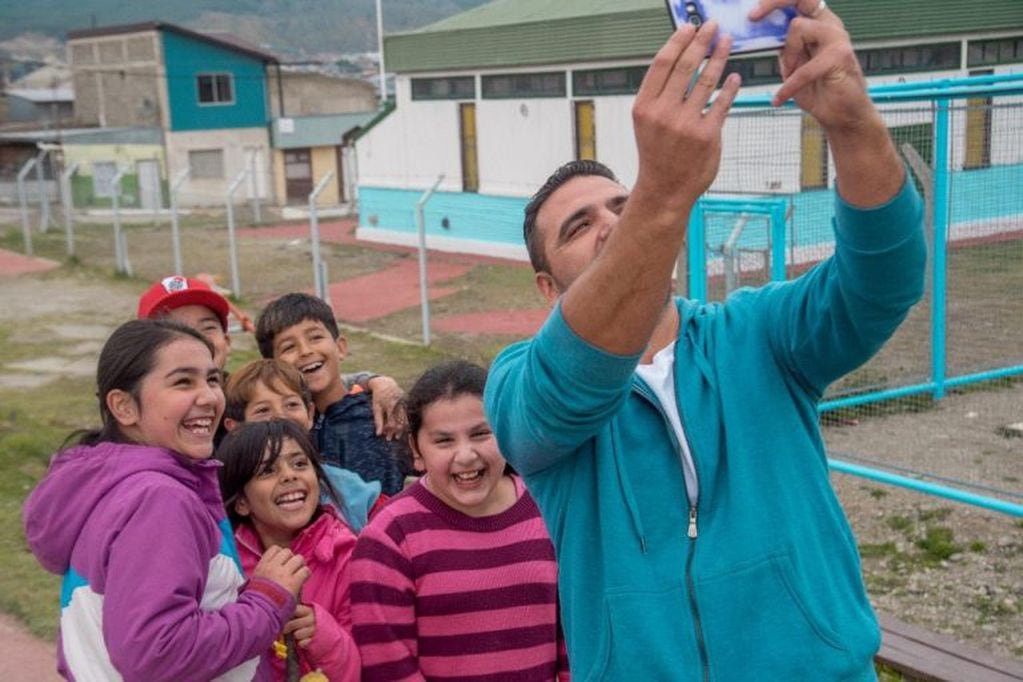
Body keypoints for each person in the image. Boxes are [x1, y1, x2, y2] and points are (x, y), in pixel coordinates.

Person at [483, 2, 927, 680]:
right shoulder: (520, 385)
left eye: (621, 207)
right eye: (577, 227)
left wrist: (851, 121)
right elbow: (566, 390)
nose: (609, 224)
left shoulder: (757, 335)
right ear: (546, 289)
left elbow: (881, 280)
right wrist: (659, 195)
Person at [22, 319, 309, 681]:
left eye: (212, 378)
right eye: (183, 382)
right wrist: (268, 600)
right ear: (124, 407)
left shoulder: (105, 490)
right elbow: (157, 652)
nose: (208, 397)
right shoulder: (159, 499)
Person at [350, 360, 568, 681]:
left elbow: (575, 637)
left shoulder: (549, 512)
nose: (465, 455)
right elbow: (389, 664)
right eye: (444, 441)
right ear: (415, 449)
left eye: (480, 434)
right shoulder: (389, 537)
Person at [138, 274, 405, 439]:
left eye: (207, 327)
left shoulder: (244, 394)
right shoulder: (149, 419)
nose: (196, 340)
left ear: (226, 340)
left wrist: (376, 382)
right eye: (177, 330)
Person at [217, 419, 361, 681]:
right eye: (268, 471)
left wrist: (323, 636)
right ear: (241, 503)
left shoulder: (347, 555)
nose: (289, 475)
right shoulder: (226, 564)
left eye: (299, 463)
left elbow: (362, 669)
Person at [256, 293, 410, 496]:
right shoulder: (275, 432)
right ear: (274, 366)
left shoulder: (383, 413)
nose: (305, 351)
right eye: (289, 347)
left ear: (340, 348)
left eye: (315, 337)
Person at [223, 358, 391, 532]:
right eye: (263, 410)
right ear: (234, 428)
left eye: (291, 405)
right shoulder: (226, 500)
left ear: (310, 414)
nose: (281, 416)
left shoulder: (350, 490)